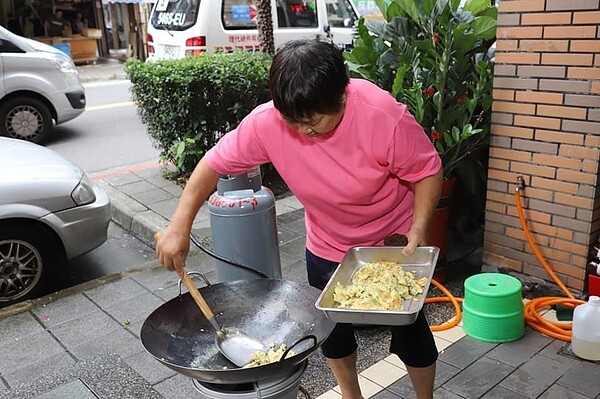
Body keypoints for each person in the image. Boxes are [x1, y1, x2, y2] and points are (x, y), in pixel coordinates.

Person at [156, 38, 443, 399]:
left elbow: (427, 170)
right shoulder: (266, 123)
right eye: (294, 121)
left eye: (314, 120)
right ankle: (351, 395)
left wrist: (418, 229)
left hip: (390, 244)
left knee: (411, 331)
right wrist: (178, 227)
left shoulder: (383, 115)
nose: (304, 130)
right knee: (331, 332)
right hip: (327, 242)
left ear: (342, 95)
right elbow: (211, 165)